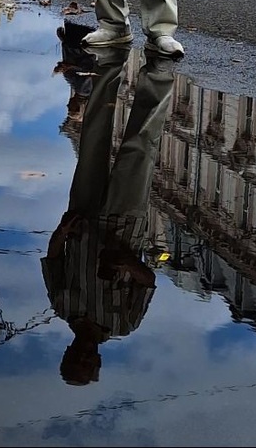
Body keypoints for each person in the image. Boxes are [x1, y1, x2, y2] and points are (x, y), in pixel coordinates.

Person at [41, 45, 175, 385]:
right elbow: (148, 282)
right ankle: (158, 73)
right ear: (98, 362)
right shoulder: (124, 324)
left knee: (93, 140)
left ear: (68, 353)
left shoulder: (61, 306)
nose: (84, 354)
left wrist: (60, 231)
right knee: (139, 148)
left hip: (82, 214)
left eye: (76, 358)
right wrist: (128, 264)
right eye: (90, 362)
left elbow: (53, 260)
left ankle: (110, 62)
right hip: (125, 221)